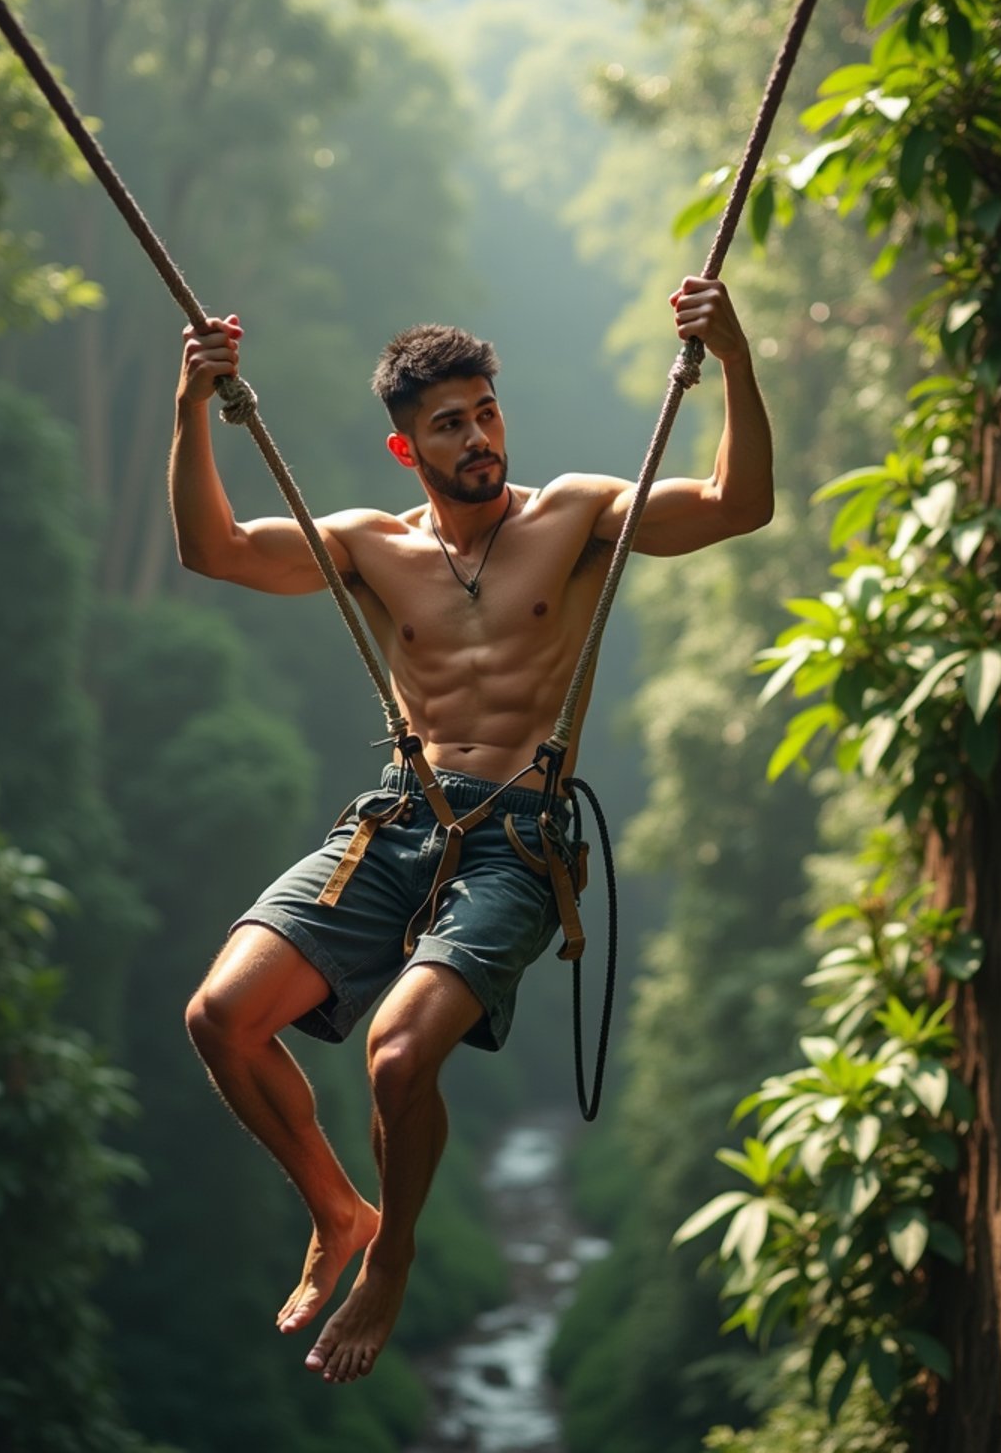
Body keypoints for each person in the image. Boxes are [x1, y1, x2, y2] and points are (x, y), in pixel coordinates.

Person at [171, 276, 773, 1384]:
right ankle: (337, 1210)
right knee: (219, 1016)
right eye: (449, 423)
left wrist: (731, 357)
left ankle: (391, 1256)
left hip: (521, 841)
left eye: (487, 410)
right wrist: (188, 404)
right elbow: (214, 550)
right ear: (409, 450)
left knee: (398, 1056)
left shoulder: (577, 514)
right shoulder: (369, 545)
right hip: (398, 820)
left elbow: (738, 505)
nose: (478, 435)